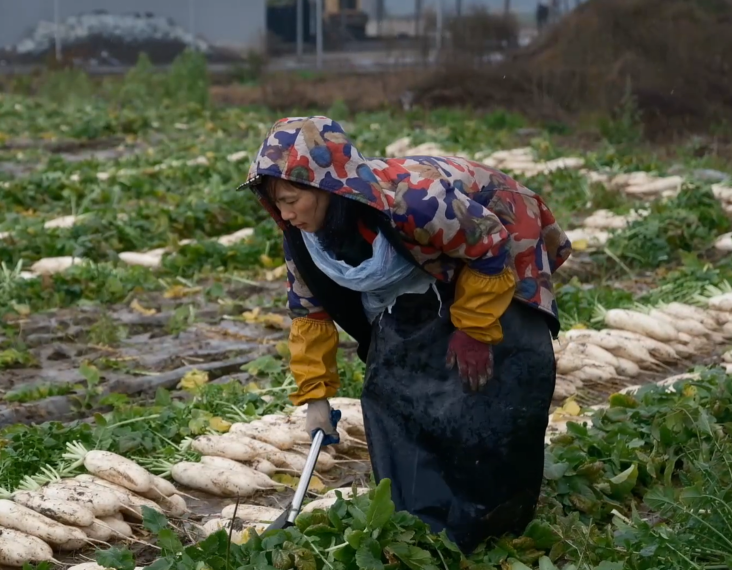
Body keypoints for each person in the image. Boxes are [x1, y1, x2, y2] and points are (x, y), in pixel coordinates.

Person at [238, 116, 571, 553]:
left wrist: (473, 329)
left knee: (497, 368)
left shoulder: (414, 200)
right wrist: (316, 399)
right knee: (393, 386)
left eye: (290, 199)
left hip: (496, 231)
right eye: (275, 202)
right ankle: (423, 522)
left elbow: (490, 246)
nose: (283, 213)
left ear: (326, 186)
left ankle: (494, 517)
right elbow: (309, 313)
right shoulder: (301, 235)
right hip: (425, 268)